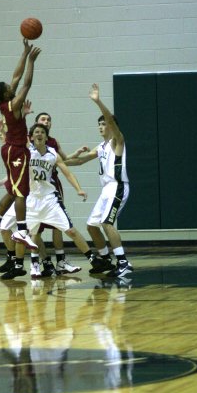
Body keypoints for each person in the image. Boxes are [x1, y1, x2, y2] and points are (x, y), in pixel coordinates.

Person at [0, 123, 99, 279]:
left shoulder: (53, 154)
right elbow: (11, 144)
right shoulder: (26, 151)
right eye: (36, 132)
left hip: (49, 199)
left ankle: (93, 259)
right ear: (31, 137)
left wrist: (79, 189)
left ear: (46, 136)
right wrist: (3, 131)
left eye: (42, 132)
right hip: (30, 200)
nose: (39, 134)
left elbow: (68, 173)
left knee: (70, 230)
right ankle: (18, 265)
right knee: (22, 235)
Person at [0, 40, 41, 265]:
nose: (11, 85)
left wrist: (24, 53)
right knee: (22, 193)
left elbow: (16, 77)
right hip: (17, 152)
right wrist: (32, 62)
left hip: (10, 149)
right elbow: (26, 83)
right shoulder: (14, 105)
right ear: (6, 94)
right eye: (8, 87)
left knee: (13, 190)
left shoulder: (5, 103)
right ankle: (22, 230)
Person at [73, 83, 132, 278]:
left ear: (111, 126)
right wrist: (59, 159)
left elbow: (110, 120)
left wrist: (98, 101)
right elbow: (80, 162)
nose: (101, 126)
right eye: (98, 124)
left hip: (118, 186)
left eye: (103, 123)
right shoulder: (101, 146)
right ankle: (106, 259)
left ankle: (123, 263)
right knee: (91, 226)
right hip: (106, 190)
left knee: (107, 223)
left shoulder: (118, 140)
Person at [30, 112, 87, 277]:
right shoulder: (28, 144)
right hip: (33, 190)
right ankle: (42, 261)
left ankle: (60, 261)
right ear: (35, 126)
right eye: (43, 119)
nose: (46, 122)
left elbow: (64, 160)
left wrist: (76, 154)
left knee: (58, 224)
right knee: (34, 229)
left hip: (52, 185)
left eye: (48, 120)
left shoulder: (52, 143)